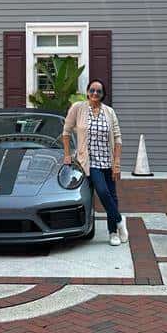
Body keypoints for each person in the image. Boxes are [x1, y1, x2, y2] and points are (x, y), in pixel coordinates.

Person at [62, 79, 127, 246]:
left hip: (108, 160)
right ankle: (120, 220)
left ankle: (113, 233)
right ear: (87, 91)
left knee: (112, 196)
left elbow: (118, 138)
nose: (95, 94)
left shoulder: (109, 112)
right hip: (90, 162)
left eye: (99, 91)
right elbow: (66, 132)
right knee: (102, 191)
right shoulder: (78, 108)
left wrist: (116, 163)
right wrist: (67, 155)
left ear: (103, 94)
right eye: (92, 90)